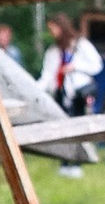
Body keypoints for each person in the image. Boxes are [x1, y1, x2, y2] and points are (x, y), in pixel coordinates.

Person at [41, 12, 101, 173]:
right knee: (62, 129)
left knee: (78, 128)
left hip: (79, 93)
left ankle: (77, 163)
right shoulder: (53, 51)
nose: (52, 32)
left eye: (53, 28)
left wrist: (75, 67)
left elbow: (97, 65)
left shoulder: (81, 45)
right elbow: (47, 76)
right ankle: (65, 163)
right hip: (61, 93)